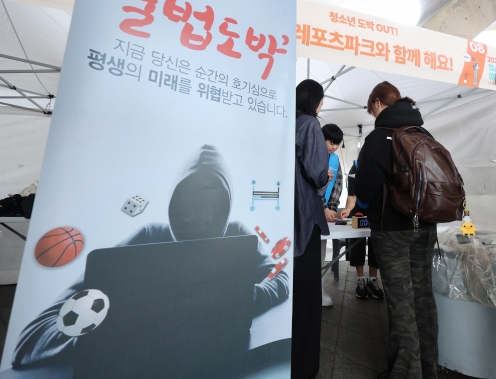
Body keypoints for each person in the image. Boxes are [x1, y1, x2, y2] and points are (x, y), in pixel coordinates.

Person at [12, 145, 289, 369]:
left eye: (213, 204)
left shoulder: (237, 235)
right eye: (188, 202)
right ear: (173, 203)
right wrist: (117, 330)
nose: (199, 216)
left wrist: (245, 298)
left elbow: (279, 275)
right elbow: (33, 337)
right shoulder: (148, 238)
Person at [354, 81, 438, 379]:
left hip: (391, 230)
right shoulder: (423, 134)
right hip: (425, 224)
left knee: (401, 301)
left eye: (371, 109)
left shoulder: (378, 138)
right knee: (423, 297)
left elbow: (364, 190)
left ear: (378, 103)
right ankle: (428, 369)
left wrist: (365, 208)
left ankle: (405, 373)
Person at [292, 79, 330, 379]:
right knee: (307, 298)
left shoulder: (285, 122)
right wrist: (326, 174)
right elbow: (317, 173)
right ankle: (305, 368)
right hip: (305, 215)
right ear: (314, 101)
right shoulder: (310, 125)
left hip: (285, 216)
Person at [340, 161, 384, 300]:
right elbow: (352, 195)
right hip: (358, 209)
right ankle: (360, 279)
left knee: (376, 242)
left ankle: (373, 279)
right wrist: (348, 209)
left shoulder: (381, 165)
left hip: (376, 209)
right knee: (357, 242)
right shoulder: (355, 167)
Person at [320, 123, 344, 307]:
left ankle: (318, 290)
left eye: (337, 143)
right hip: (308, 213)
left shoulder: (335, 160)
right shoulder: (312, 155)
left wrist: (332, 208)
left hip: (325, 213)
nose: (334, 146)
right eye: (331, 142)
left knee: (320, 254)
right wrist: (322, 207)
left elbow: (338, 184)